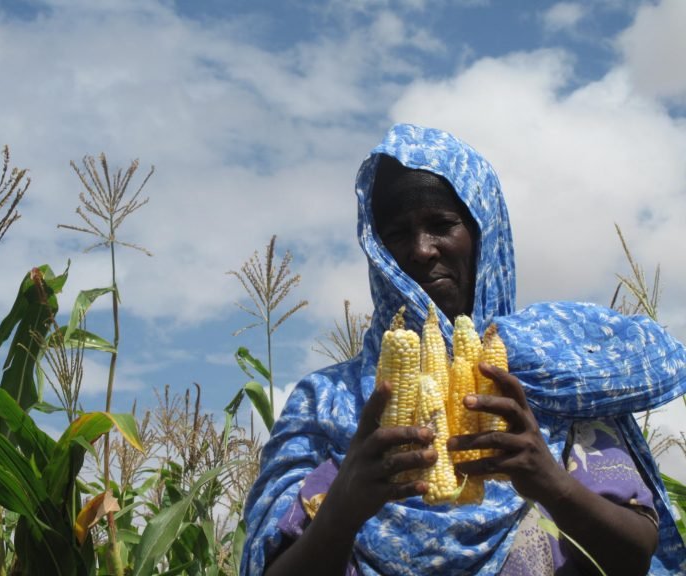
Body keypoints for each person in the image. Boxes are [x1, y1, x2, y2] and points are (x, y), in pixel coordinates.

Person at [241, 124, 686, 575]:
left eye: (441, 225)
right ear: (377, 251)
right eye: (396, 233)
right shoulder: (327, 403)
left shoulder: (555, 377)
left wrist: (549, 480)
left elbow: (632, 556)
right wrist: (342, 509)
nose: (420, 250)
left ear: (482, 235)